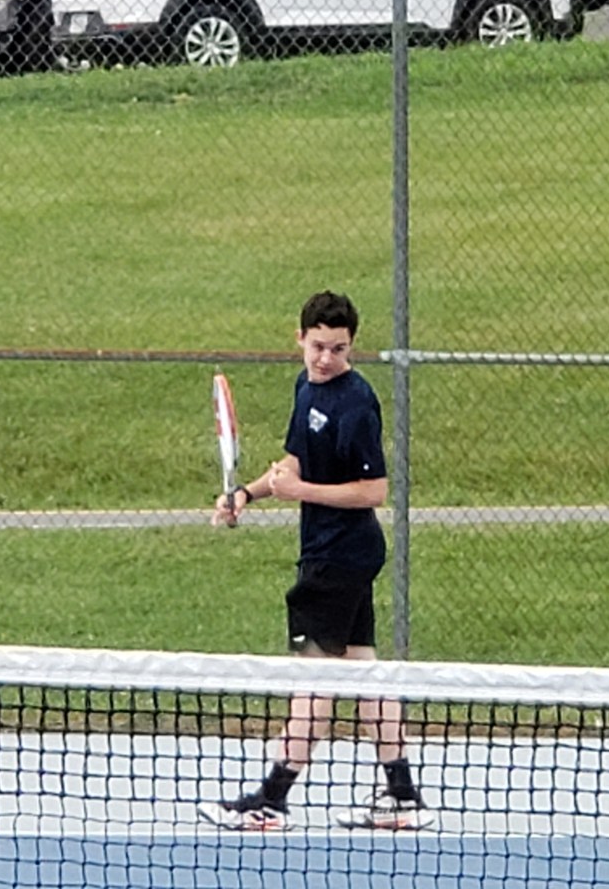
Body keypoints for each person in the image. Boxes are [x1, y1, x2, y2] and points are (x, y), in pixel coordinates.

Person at [199, 290, 434, 832]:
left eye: (339, 348)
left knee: (312, 681)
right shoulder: (306, 387)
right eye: (319, 346)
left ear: (351, 347)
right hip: (336, 556)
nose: (327, 358)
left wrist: (301, 491)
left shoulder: (357, 404)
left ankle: (271, 799)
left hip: (338, 561)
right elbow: (294, 463)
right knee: (366, 673)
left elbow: (374, 491)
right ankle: (402, 794)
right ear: (300, 339)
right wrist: (248, 494)